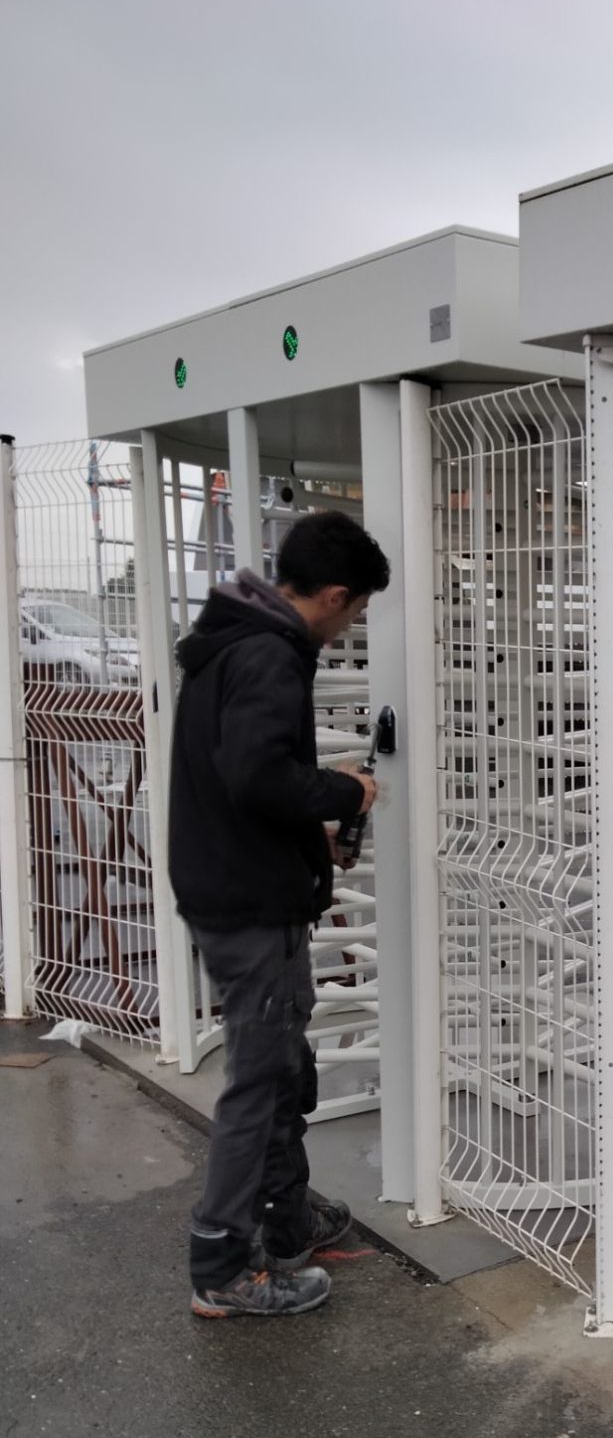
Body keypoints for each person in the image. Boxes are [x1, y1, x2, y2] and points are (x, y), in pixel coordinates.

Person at [169, 511, 389, 1318]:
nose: (350, 625)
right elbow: (259, 777)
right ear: (334, 595)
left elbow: (241, 780)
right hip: (248, 903)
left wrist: (309, 836)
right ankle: (222, 1264)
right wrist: (344, 792)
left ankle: (286, 1218)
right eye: (356, 609)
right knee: (260, 1083)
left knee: (283, 1069)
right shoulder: (268, 654)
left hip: (240, 883)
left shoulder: (235, 641)